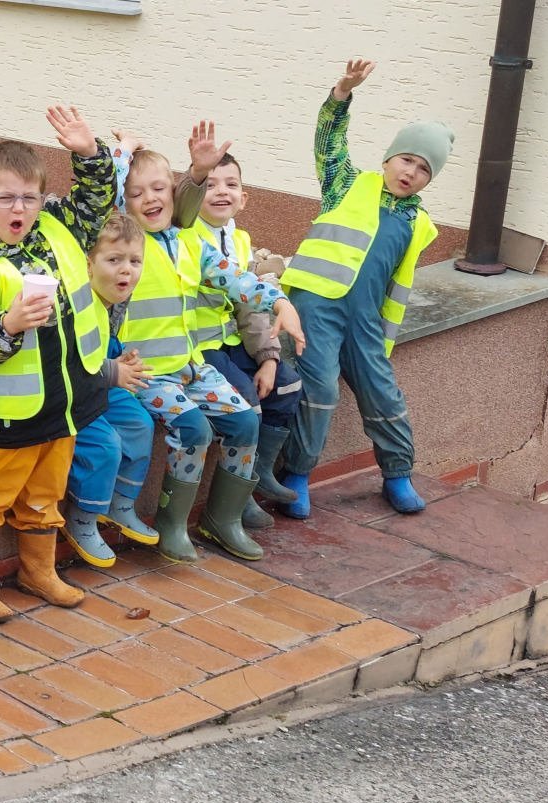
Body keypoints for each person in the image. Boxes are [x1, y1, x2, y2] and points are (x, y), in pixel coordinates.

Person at [0, 106, 114, 619]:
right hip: (9, 415)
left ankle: (38, 570)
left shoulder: (57, 232)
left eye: (30, 197)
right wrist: (8, 326)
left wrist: (88, 154)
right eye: (6, 198)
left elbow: (95, 205)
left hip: (63, 405)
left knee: (45, 493)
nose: (20, 207)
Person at [118, 133, 305, 562]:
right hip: (144, 370)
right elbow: (102, 199)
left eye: (159, 189)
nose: (150, 199)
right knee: (195, 430)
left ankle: (223, 519)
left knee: (244, 421)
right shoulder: (123, 242)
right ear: (123, 200)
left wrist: (280, 302)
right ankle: (170, 524)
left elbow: (238, 280)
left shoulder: (188, 242)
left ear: (175, 192)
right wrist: (119, 154)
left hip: (190, 365)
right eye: (136, 193)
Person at [280, 58, 451, 516]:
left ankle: (397, 474)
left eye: (423, 169)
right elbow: (328, 143)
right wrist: (342, 92)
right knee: (320, 392)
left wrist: (381, 331)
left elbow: (397, 282)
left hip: (366, 319)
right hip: (316, 305)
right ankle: (296, 476)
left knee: (382, 392)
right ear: (388, 159)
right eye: (406, 159)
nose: (411, 171)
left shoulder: (421, 225)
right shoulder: (347, 185)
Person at [175, 150, 305, 528]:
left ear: (244, 198)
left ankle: (257, 476)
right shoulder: (186, 236)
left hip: (233, 340)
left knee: (287, 385)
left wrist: (268, 357)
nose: (221, 192)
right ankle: (234, 501)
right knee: (246, 401)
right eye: (210, 184)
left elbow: (249, 308)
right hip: (200, 344)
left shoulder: (241, 239)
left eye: (231, 184)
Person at [62, 213, 157, 567]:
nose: (126, 271)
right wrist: (112, 369)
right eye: (114, 260)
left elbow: (102, 342)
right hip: (76, 393)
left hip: (102, 380)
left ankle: (120, 503)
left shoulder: (108, 302)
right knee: (106, 444)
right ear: (90, 264)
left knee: (139, 423)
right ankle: (83, 518)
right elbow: (71, 360)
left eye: (134, 261)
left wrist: (120, 355)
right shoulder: (78, 303)